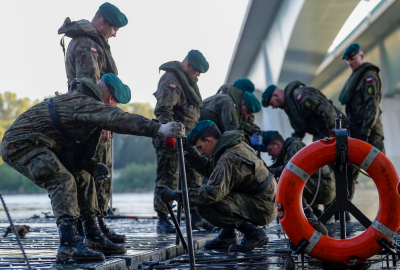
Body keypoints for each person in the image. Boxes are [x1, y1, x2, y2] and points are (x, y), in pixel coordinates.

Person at [1, 74, 184, 262]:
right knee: (61, 179)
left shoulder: (82, 101)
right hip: (20, 144)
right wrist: (159, 129)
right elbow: (117, 119)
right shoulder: (83, 102)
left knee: (83, 176)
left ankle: (93, 234)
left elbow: (72, 151)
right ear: (111, 99)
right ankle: (68, 245)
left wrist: (92, 166)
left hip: (41, 144)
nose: (113, 108)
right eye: (115, 104)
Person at [58, 2, 128, 243]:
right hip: (92, 121)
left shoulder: (93, 42)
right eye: (114, 28)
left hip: (95, 118)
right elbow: (91, 90)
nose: (115, 34)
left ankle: (98, 224)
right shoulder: (89, 45)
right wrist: (104, 121)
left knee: (99, 173)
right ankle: (92, 228)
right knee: (95, 171)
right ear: (102, 22)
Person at [156, 120, 277, 251]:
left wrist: (176, 195)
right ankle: (228, 235)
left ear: (209, 140)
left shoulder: (229, 157)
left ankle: (254, 234)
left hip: (263, 208)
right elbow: (212, 170)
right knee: (215, 193)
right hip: (264, 201)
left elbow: (212, 192)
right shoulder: (233, 145)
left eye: (200, 148)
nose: (201, 152)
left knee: (205, 204)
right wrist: (190, 152)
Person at [153, 50, 213, 233]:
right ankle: (163, 219)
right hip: (172, 139)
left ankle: (195, 216)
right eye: (196, 71)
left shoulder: (189, 81)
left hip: (188, 141)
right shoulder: (171, 78)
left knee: (193, 178)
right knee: (168, 178)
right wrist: (169, 133)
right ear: (188, 65)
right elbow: (164, 110)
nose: (198, 75)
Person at [339, 42, 385, 199]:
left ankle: (393, 210)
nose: (350, 62)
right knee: (350, 171)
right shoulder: (355, 78)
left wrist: (365, 132)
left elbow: (372, 106)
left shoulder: (369, 77)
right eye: (347, 60)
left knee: (383, 172)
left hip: (370, 132)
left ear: (362, 56)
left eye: (352, 58)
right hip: (356, 131)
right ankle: (345, 210)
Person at [261, 131, 335, 219]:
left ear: (277, 144)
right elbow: (277, 167)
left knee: (290, 182)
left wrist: (268, 171)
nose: (269, 154)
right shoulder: (286, 152)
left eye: (269, 150)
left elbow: (290, 171)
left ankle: (309, 217)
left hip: (325, 187)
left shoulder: (294, 146)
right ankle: (316, 214)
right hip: (319, 186)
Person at [261, 82, 347, 141]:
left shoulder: (300, 95)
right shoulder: (291, 107)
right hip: (324, 137)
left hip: (340, 131)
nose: (273, 107)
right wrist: (290, 143)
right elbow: (300, 130)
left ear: (276, 95)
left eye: (272, 103)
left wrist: (333, 134)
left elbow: (328, 111)